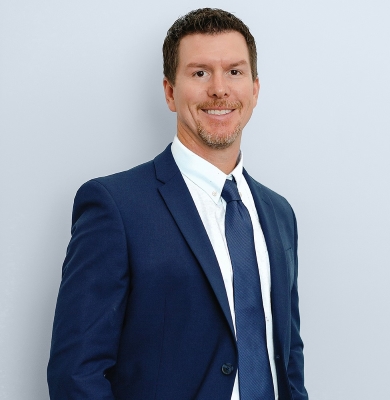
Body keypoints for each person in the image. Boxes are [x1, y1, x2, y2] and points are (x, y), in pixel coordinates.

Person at [47, 8, 308, 400]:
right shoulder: (115, 207)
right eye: (200, 72)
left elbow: (287, 358)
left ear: (255, 89)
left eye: (234, 72)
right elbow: (76, 374)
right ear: (170, 92)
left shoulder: (279, 213)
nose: (219, 89)